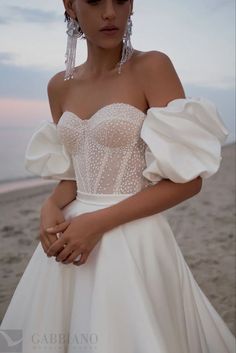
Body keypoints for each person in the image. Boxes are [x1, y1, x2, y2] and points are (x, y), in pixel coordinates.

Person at [0, 0, 235, 352]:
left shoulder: (152, 67)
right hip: (72, 238)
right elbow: (76, 174)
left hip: (133, 238)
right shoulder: (59, 86)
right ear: (70, 6)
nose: (109, 12)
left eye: (120, 0)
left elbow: (188, 180)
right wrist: (50, 206)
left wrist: (96, 224)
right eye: (94, 1)